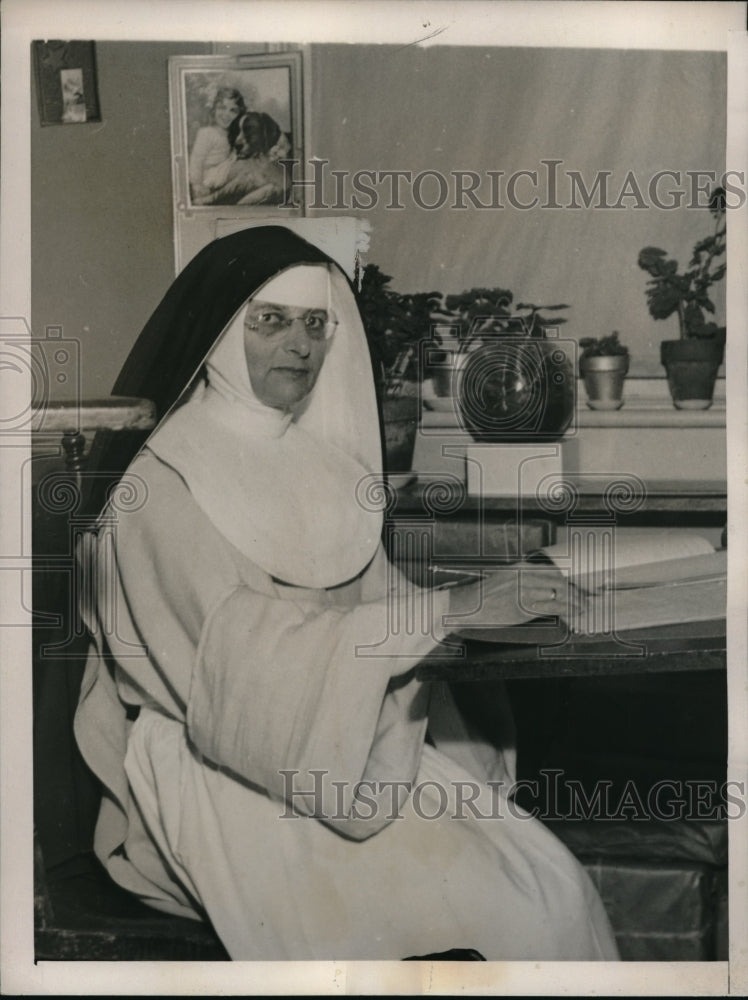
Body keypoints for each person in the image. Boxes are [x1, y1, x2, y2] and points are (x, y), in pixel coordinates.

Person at [74, 226, 619, 961]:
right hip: (226, 762)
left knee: (550, 892)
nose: (299, 344)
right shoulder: (160, 479)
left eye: (316, 324)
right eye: (270, 321)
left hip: (350, 739)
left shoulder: (326, 469)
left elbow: (377, 610)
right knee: (430, 932)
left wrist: (477, 598)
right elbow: (232, 657)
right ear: (221, 332)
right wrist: (444, 613)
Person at [188, 87, 246, 204]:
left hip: (223, 175)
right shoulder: (207, 133)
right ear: (214, 109)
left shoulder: (234, 135)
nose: (226, 114)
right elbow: (196, 161)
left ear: (239, 113)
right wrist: (197, 184)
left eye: (233, 110)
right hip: (209, 178)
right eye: (222, 108)